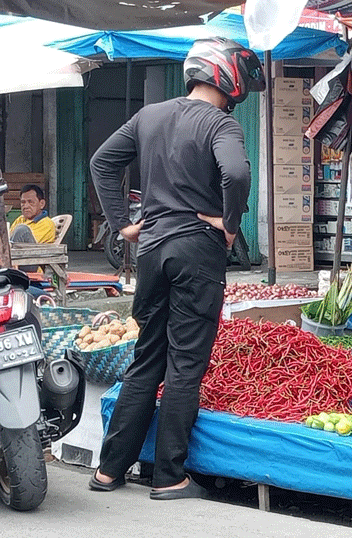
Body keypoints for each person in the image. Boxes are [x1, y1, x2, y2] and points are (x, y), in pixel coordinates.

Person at [88, 37, 265, 500]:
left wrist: (123, 225)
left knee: (147, 357)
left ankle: (109, 470)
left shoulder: (149, 116)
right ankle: (170, 475)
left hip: (150, 250)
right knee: (185, 362)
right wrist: (228, 223)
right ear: (228, 78)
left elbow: (102, 162)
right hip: (196, 252)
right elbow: (238, 175)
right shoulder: (221, 124)